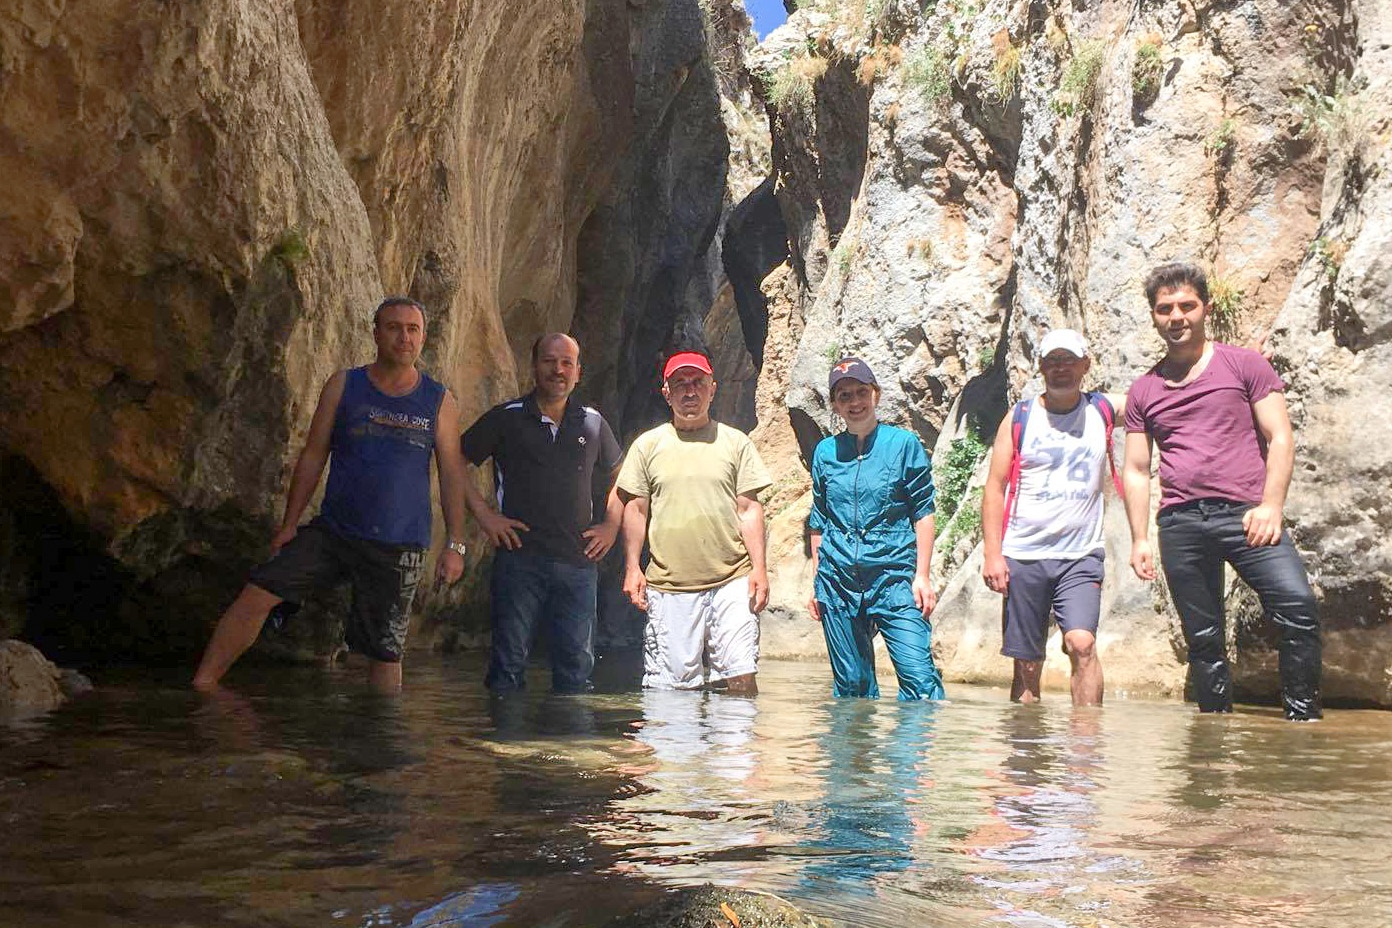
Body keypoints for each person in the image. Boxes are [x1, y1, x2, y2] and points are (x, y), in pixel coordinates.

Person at [192, 297, 467, 692]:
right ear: (376, 333)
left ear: (423, 337)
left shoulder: (439, 401)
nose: (403, 337)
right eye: (393, 327)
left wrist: (455, 544)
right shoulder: (344, 385)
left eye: (412, 329)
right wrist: (289, 523)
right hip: (335, 532)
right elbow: (314, 453)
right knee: (258, 593)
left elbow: (452, 472)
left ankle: (380, 737)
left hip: (399, 543)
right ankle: (203, 687)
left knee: (385, 651)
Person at [1122, 262, 1321, 720]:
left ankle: (1302, 724)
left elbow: (1280, 437)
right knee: (1203, 637)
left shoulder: (1245, 364)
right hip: (1181, 524)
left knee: (1298, 608)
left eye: (1186, 306)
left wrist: (1272, 505)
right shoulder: (1144, 390)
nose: (1177, 317)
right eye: (1165, 309)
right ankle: (1213, 734)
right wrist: (1138, 538)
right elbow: (1136, 469)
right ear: (1153, 316)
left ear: (1205, 308)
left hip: (1247, 515)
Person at [460, 333, 623, 694]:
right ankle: (504, 747)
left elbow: (622, 478)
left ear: (579, 372)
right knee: (507, 666)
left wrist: (611, 526)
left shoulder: (593, 423)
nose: (558, 369)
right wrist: (486, 516)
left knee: (576, 671)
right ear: (533, 367)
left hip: (578, 563)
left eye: (567, 362)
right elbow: (454, 461)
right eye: (549, 361)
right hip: (520, 561)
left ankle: (570, 748)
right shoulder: (506, 419)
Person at [980, 329, 1124, 706]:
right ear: (1041, 366)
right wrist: (993, 555)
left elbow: (1162, 398)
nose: (1061, 368)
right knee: (1027, 664)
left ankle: (1085, 749)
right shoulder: (1021, 417)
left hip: (1080, 554)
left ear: (1085, 365)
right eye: (1053, 361)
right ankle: (1026, 752)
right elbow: (994, 487)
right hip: (1024, 553)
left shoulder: (1103, 410)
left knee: (1082, 643)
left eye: (1069, 360)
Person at [617, 349, 771, 695]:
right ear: (666, 393)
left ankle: (735, 748)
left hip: (732, 579)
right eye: (680, 383)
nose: (690, 391)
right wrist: (631, 567)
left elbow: (749, 509)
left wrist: (760, 569)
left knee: (740, 678)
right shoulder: (647, 446)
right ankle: (679, 749)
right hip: (669, 584)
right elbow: (636, 510)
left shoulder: (736, 443)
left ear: (712, 389)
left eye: (697, 382)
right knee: (672, 690)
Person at [806, 357, 945, 700]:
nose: (854, 402)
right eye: (844, 396)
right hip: (838, 580)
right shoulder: (825, 452)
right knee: (852, 687)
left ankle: (908, 755)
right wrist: (816, 579)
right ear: (835, 405)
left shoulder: (903, 445)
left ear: (876, 395)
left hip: (894, 576)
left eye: (861, 392)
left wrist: (922, 575)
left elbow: (923, 512)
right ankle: (855, 753)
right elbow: (819, 520)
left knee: (920, 682)